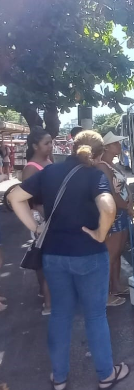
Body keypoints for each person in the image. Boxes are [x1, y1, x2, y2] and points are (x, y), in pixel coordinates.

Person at [8, 130, 130, 390]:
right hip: (89, 254)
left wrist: (37, 228)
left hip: (54, 255)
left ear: (73, 148)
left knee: (60, 315)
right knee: (95, 315)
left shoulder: (50, 172)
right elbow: (108, 207)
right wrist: (99, 233)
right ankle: (106, 374)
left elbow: (14, 198)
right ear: (98, 155)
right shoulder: (95, 175)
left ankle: (59, 377)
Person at [96, 131, 134, 306]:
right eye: (116, 144)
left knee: (118, 252)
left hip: (122, 211)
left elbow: (124, 187)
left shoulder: (113, 165)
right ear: (107, 147)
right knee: (111, 254)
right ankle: (105, 295)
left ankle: (116, 285)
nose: (119, 146)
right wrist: (126, 206)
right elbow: (111, 194)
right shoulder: (103, 166)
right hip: (115, 212)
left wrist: (130, 203)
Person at [22, 127, 53, 316]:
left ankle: (47, 290)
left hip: (51, 214)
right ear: (35, 146)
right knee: (43, 256)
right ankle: (45, 293)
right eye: (46, 143)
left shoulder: (48, 160)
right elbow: (27, 199)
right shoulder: (31, 168)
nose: (50, 146)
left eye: (51, 142)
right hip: (40, 217)